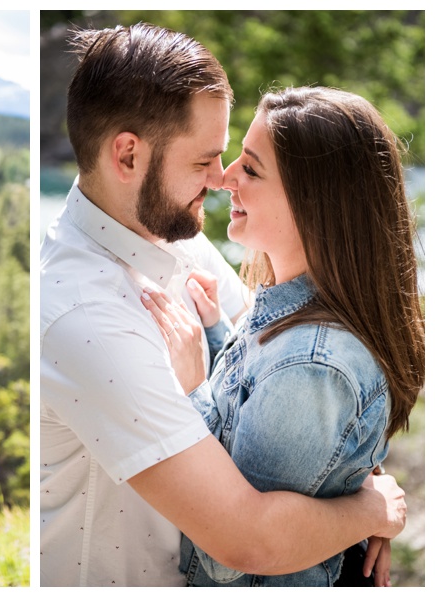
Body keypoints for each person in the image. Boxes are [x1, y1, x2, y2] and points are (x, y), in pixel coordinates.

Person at [40, 23, 408, 587]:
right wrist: (368, 510)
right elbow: (244, 539)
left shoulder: (174, 234)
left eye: (235, 159)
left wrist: (349, 461)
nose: (221, 179)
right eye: (204, 160)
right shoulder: (83, 316)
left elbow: (281, 376)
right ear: (129, 154)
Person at [142, 86, 425, 586]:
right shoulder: (286, 309)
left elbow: (230, 555)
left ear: (314, 201)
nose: (225, 177)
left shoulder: (313, 365)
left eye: (250, 169)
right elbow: (253, 432)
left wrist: (192, 389)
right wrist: (215, 337)